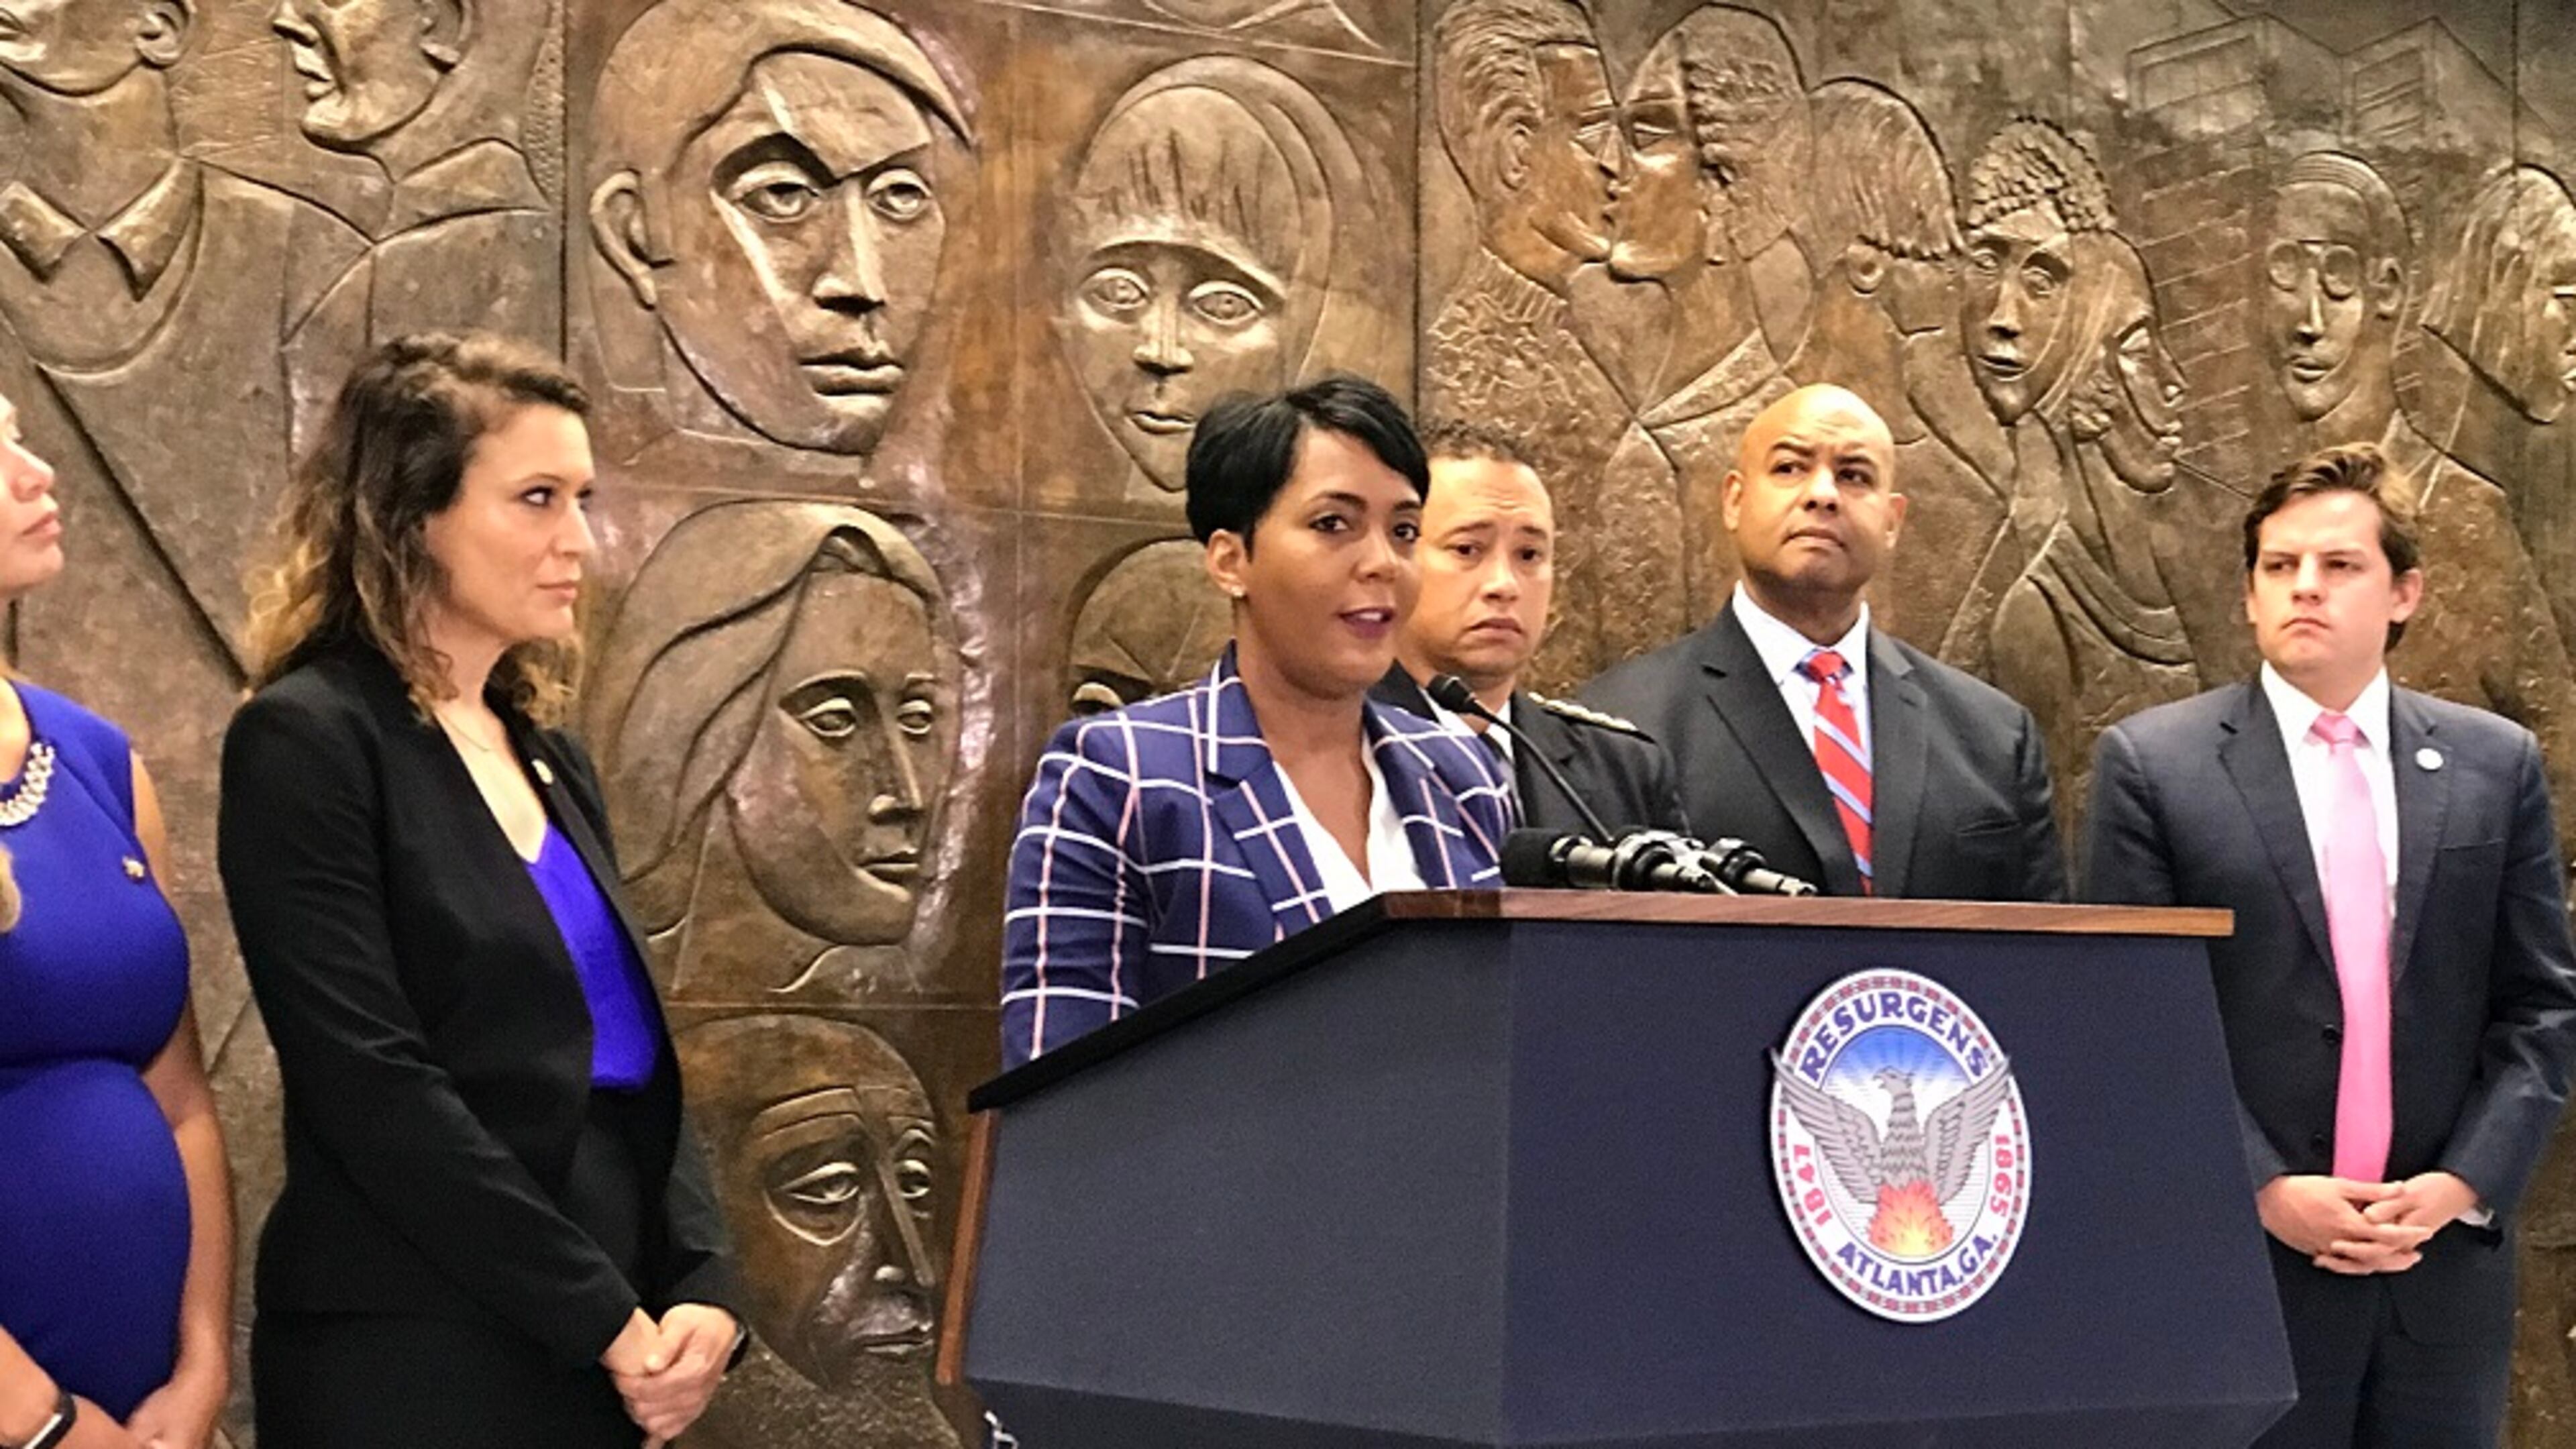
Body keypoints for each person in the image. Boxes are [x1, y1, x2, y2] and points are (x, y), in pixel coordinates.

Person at [219, 333, 743, 1448]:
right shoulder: (307, 739)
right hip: (417, 1340)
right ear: (411, 517)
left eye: (584, 499)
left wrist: (703, 1285)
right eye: (538, 499)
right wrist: (600, 1315)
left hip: (601, 1328)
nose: (578, 544)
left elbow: (633, 1054)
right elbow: (372, 1082)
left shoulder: (549, 750)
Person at [2085, 444, 2576, 1449]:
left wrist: (2462, 1186)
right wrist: (2261, 1186)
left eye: (2340, 565)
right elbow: (2129, 1022)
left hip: (2438, 1277)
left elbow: (2542, 1006)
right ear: (2250, 596)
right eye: (2279, 567)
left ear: (2405, 593)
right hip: (2242, 1270)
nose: (2305, 587)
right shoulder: (2156, 768)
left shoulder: (2494, 765)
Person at [1001, 375, 1513, 1068]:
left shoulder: (1462, 772)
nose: (1381, 564)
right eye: (1334, 524)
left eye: (1403, 531)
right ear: (1230, 559)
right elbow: (1058, 1086)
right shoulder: (1118, 776)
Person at [1583, 384, 2065, 900]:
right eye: (1790, 468)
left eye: (1853, 476)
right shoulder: (1621, 729)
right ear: (1735, 501)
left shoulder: (1994, 736)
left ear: (1892, 522)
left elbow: (2045, 965)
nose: (1823, 494)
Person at [0, 391, 230, 1449]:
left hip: (146, 1404)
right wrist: (38, 1420)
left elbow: (178, 1095)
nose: (37, 471)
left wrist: (203, 1360)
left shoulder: (93, 755)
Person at [1371, 419, 1687, 836]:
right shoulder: (1339, 745)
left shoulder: (1621, 767)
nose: (1504, 585)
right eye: (1468, 550)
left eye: (1529, 555)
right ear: (1400, 558)